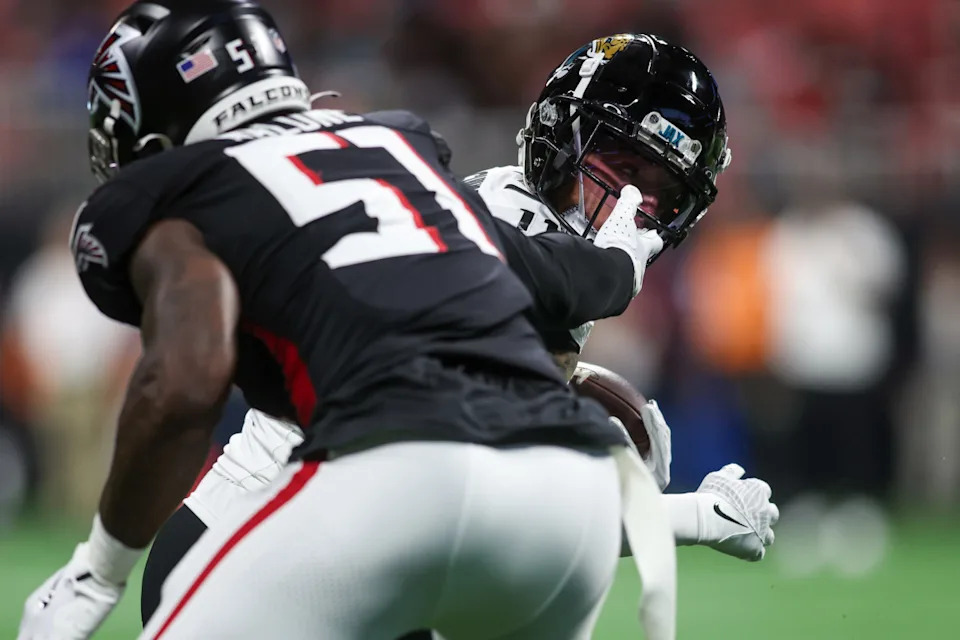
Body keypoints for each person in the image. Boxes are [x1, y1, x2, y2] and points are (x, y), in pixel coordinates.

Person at [18, 4, 673, 640]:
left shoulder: (182, 194)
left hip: (387, 479)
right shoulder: (398, 148)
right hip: (565, 504)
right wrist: (620, 259)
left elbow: (185, 385)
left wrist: (97, 573)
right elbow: (572, 280)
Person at [138, 30, 778, 638]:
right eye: (620, 166)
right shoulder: (504, 225)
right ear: (561, 137)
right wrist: (694, 517)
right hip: (255, 565)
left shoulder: (513, 236)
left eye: (663, 195)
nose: (633, 209)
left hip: (297, 561)